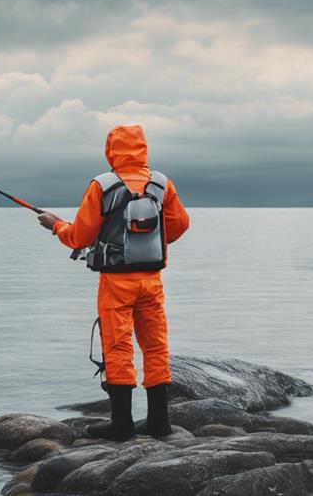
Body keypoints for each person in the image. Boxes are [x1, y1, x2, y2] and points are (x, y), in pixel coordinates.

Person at [37, 124, 189, 441]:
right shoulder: (161, 183)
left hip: (116, 282)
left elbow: (79, 236)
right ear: (142, 148)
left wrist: (55, 226)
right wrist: (149, 241)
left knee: (118, 347)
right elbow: (179, 226)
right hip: (152, 280)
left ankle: (121, 424)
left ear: (111, 150)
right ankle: (160, 422)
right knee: (156, 346)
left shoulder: (103, 185)